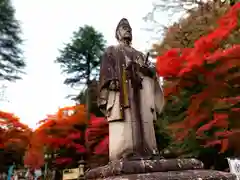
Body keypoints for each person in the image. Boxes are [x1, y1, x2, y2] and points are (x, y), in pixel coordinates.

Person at [98, 18, 164, 161]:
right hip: (122, 94)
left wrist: (149, 70)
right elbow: (106, 71)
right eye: (123, 28)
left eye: (129, 29)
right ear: (117, 33)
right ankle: (125, 152)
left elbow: (153, 73)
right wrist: (111, 81)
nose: (128, 30)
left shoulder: (140, 54)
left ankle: (149, 150)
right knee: (124, 127)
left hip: (141, 93)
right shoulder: (112, 51)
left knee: (145, 121)